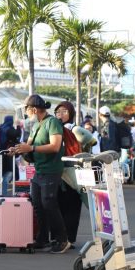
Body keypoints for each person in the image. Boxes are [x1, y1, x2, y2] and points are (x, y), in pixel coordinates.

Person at [12, 95, 70, 254]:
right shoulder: (37, 125)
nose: (27, 115)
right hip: (39, 171)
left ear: (34, 110)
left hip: (51, 170)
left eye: (28, 112)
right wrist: (16, 149)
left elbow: (55, 146)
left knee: (49, 203)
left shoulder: (53, 123)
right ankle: (43, 238)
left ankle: (62, 239)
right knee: (38, 204)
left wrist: (31, 149)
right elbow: (28, 145)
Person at [54, 101, 85, 247]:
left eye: (65, 111)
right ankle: (59, 237)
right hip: (57, 172)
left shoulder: (75, 129)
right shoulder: (53, 127)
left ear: (71, 113)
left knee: (72, 206)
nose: (60, 114)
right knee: (59, 205)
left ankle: (70, 238)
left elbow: (89, 142)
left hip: (73, 171)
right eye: (58, 111)